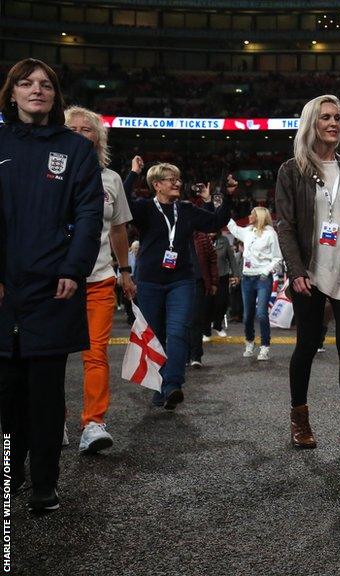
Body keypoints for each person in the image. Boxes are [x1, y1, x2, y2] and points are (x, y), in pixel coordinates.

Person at [0, 58, 104, 512]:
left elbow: (88, 213)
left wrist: (73, 268)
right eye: (26, 84)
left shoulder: (75, 149)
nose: (36, 90)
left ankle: (44, 483)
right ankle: (9, 472)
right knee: (6, 393)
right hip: (4, 288)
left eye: (45, 85)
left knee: (45, 393)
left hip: (53, 286)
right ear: (12, 93)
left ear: (55, 95)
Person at [276, 95, 340, 454]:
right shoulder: (292, 169)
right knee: (307, 346)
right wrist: (296, 269)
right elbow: (285, 225)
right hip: (311, 271)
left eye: (337, 118)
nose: (333, 123)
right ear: (311, 123)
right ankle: (299, 418)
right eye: (325, 117)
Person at [128, 164, 232, 409]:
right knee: (156, 336)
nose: (177, 183)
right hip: (150, 282)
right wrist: (133, 173)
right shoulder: (143, 207)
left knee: (177, 331)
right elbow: (122, 199)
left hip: (181, 281)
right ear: (157, 185)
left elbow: (216, 220)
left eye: (178, 179)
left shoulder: (185, 209)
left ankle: (173, 384)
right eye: (171, 179)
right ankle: (161, 387)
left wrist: (225, 195)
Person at [63, 105, 136, 454]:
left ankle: (93, 423)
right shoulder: (49, 174)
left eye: (86, 129)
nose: (79, 134)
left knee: (96, 354)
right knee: (51, 355)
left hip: (99, 280)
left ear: (98, 137)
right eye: (72, 129)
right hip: (56, 282)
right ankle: (54, 419)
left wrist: (125, 271)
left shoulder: (111, 180)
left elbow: (119, 229)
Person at [227, 206, 283, 360]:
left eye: (251, 214)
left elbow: (278, 257)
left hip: (262, 278)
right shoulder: (248, 231)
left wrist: (266, 272)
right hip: (247, 278)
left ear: (259, 216)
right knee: (247, 315)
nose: (249, 216)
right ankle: (250, 342)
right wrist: (223, 209)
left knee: (262, 314)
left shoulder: (271, 234)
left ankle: (265, 346)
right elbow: (233, 228)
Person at [187, 227, 219, 368]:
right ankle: (185, 355)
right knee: (182, 321)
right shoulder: (173, 234)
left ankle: (195, 356)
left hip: (198, 282)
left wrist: (214, 282)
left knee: (195, 319)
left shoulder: (202, 236)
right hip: (179, 282)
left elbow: (212, 258)